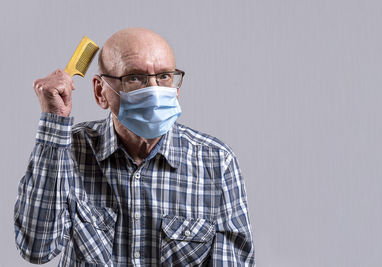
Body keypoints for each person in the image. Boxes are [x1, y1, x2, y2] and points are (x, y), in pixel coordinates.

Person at [14, 28, 255, 266]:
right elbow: (36, 248)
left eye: (163, 76)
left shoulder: (216, 162)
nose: (153, 90)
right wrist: (55, 121)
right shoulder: (68, 151)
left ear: (176, 88)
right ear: (101, 92)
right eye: (134, 77)